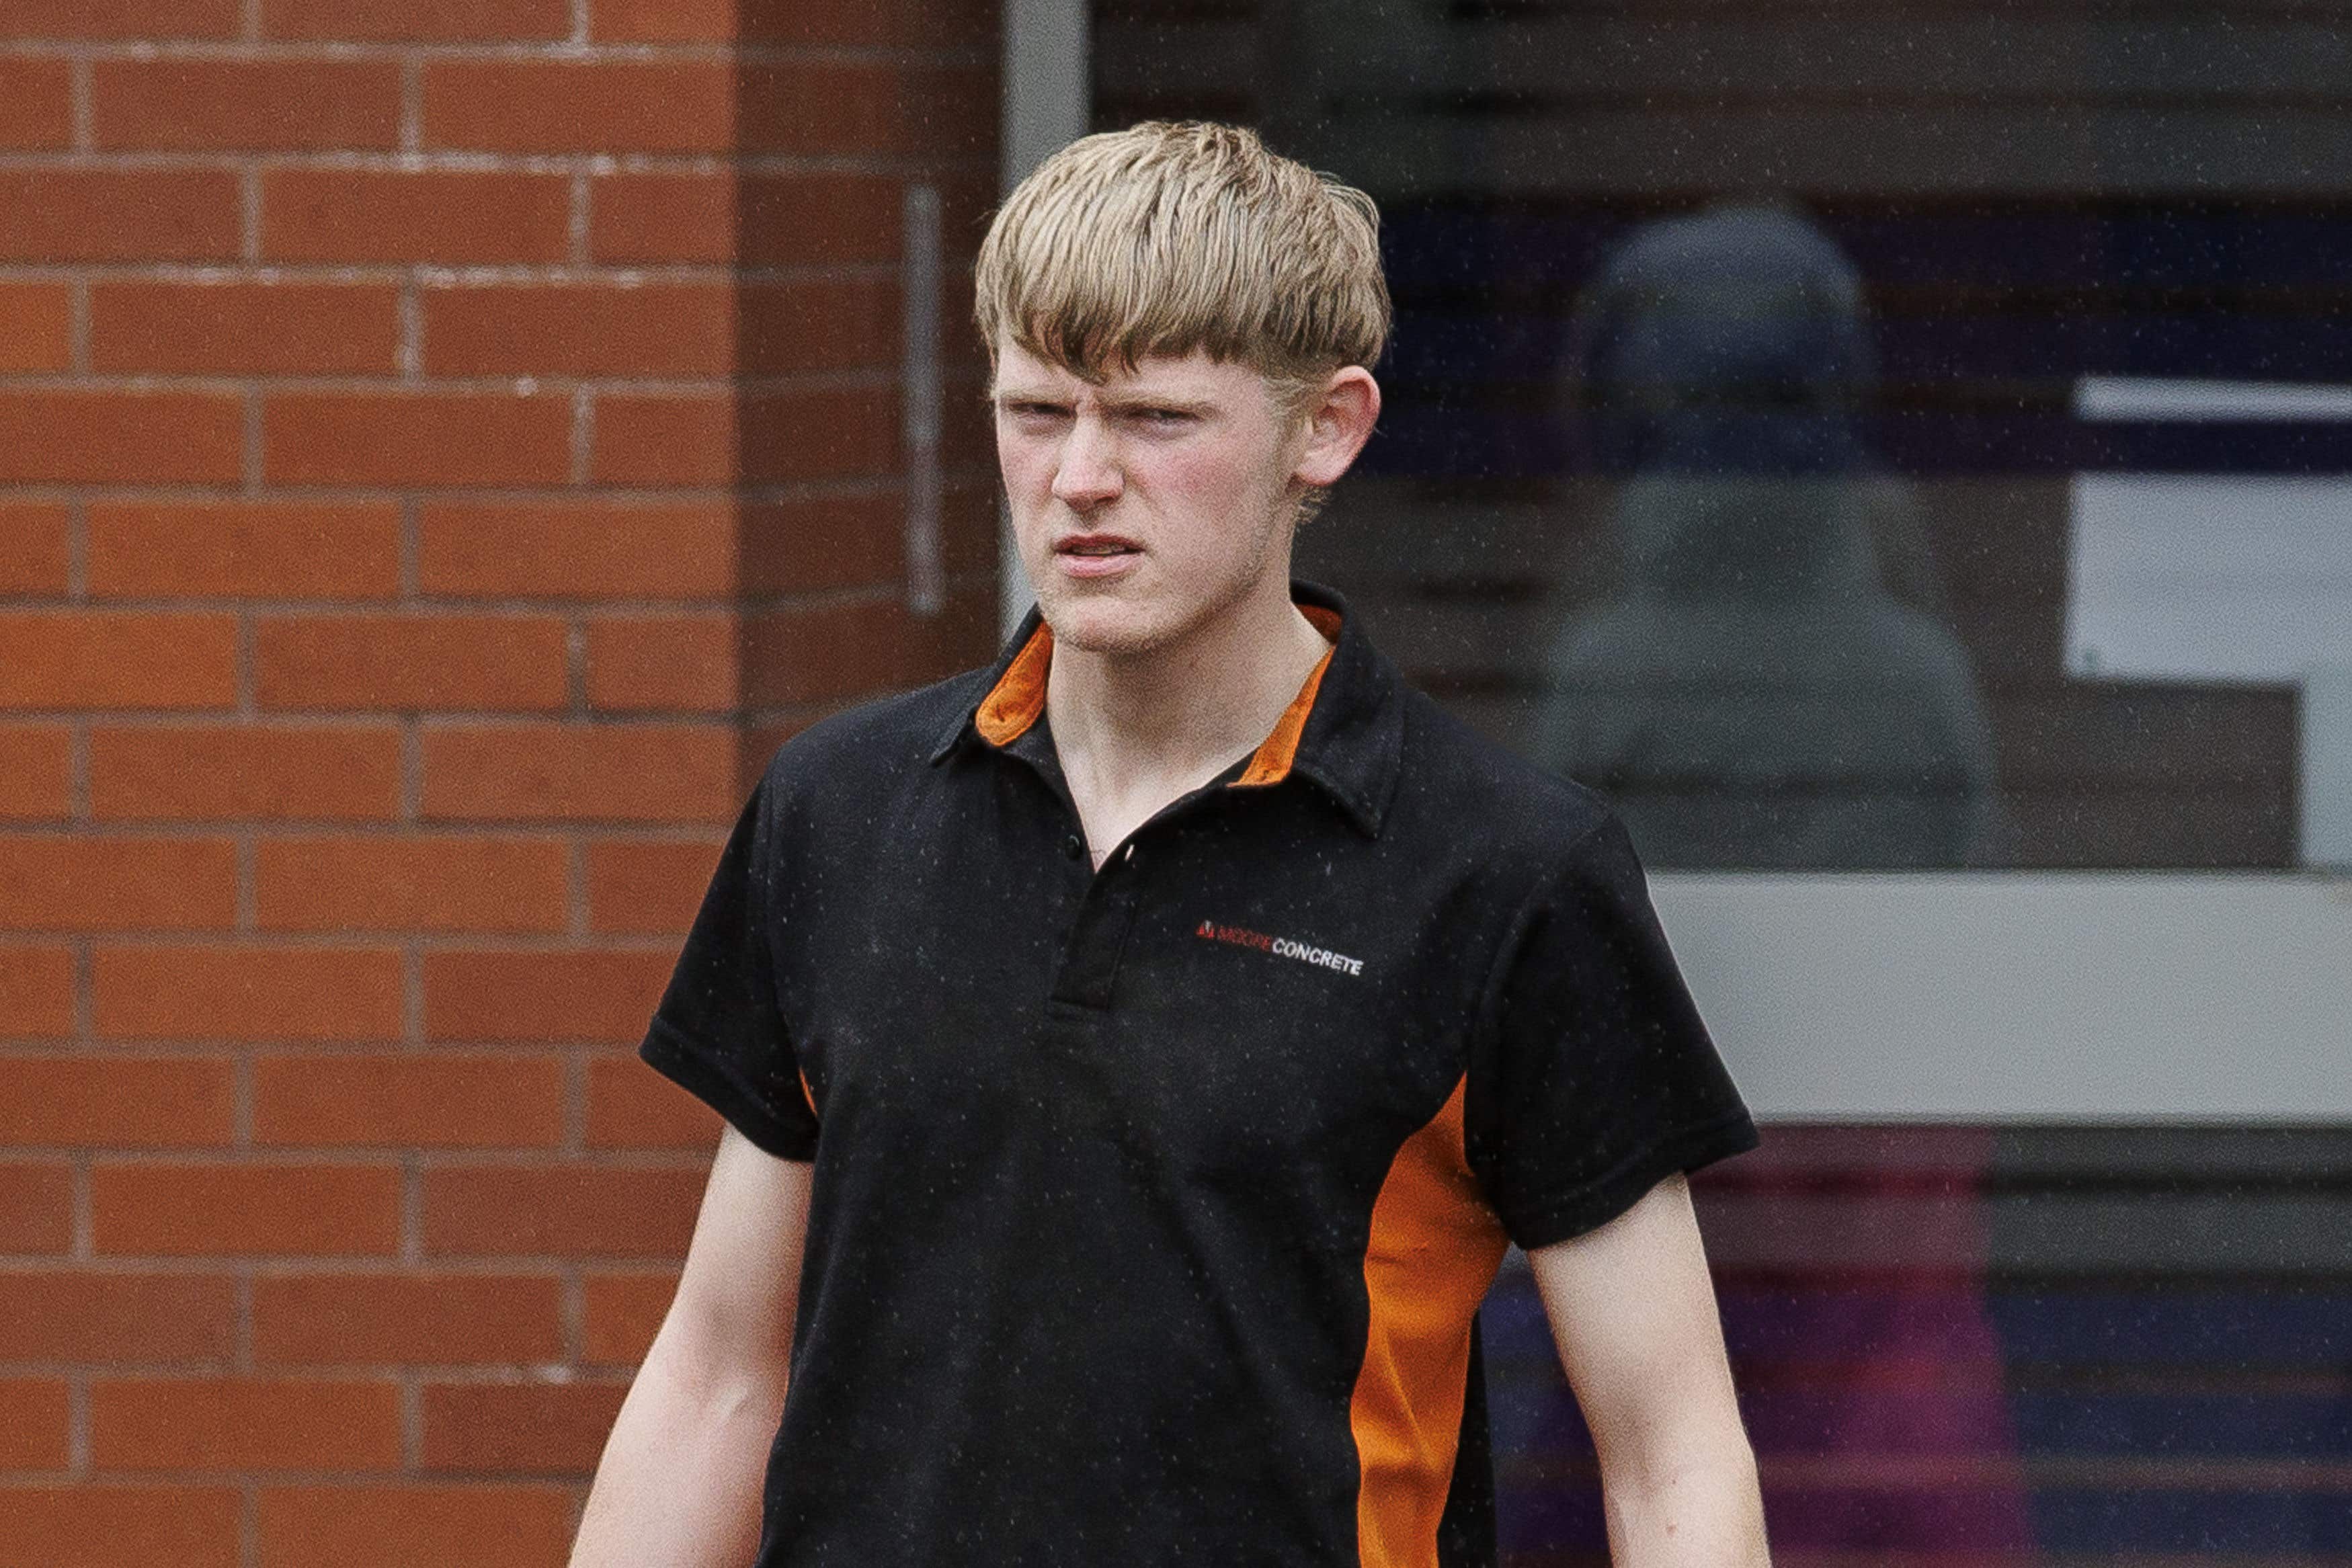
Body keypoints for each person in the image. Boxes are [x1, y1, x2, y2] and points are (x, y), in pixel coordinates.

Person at [570, 120, 1770, 1568]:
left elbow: (1668, 1457)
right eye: (1034, 410)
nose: (1078, 477)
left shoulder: (1505, 870)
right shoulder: (842, 809)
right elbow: (718, 1378)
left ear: (1323, 428)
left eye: (1153, 420)